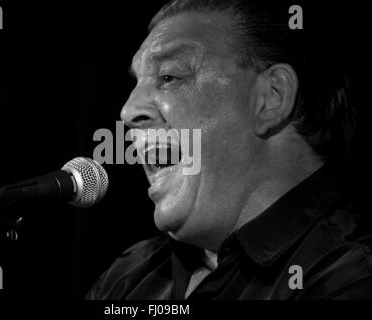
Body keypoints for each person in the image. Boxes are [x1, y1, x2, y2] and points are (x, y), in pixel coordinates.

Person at [86, 0, 372, 299]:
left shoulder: (350, 275)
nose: (128, 111)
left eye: (169, 76)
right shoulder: (127, 278)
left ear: (271, 97)